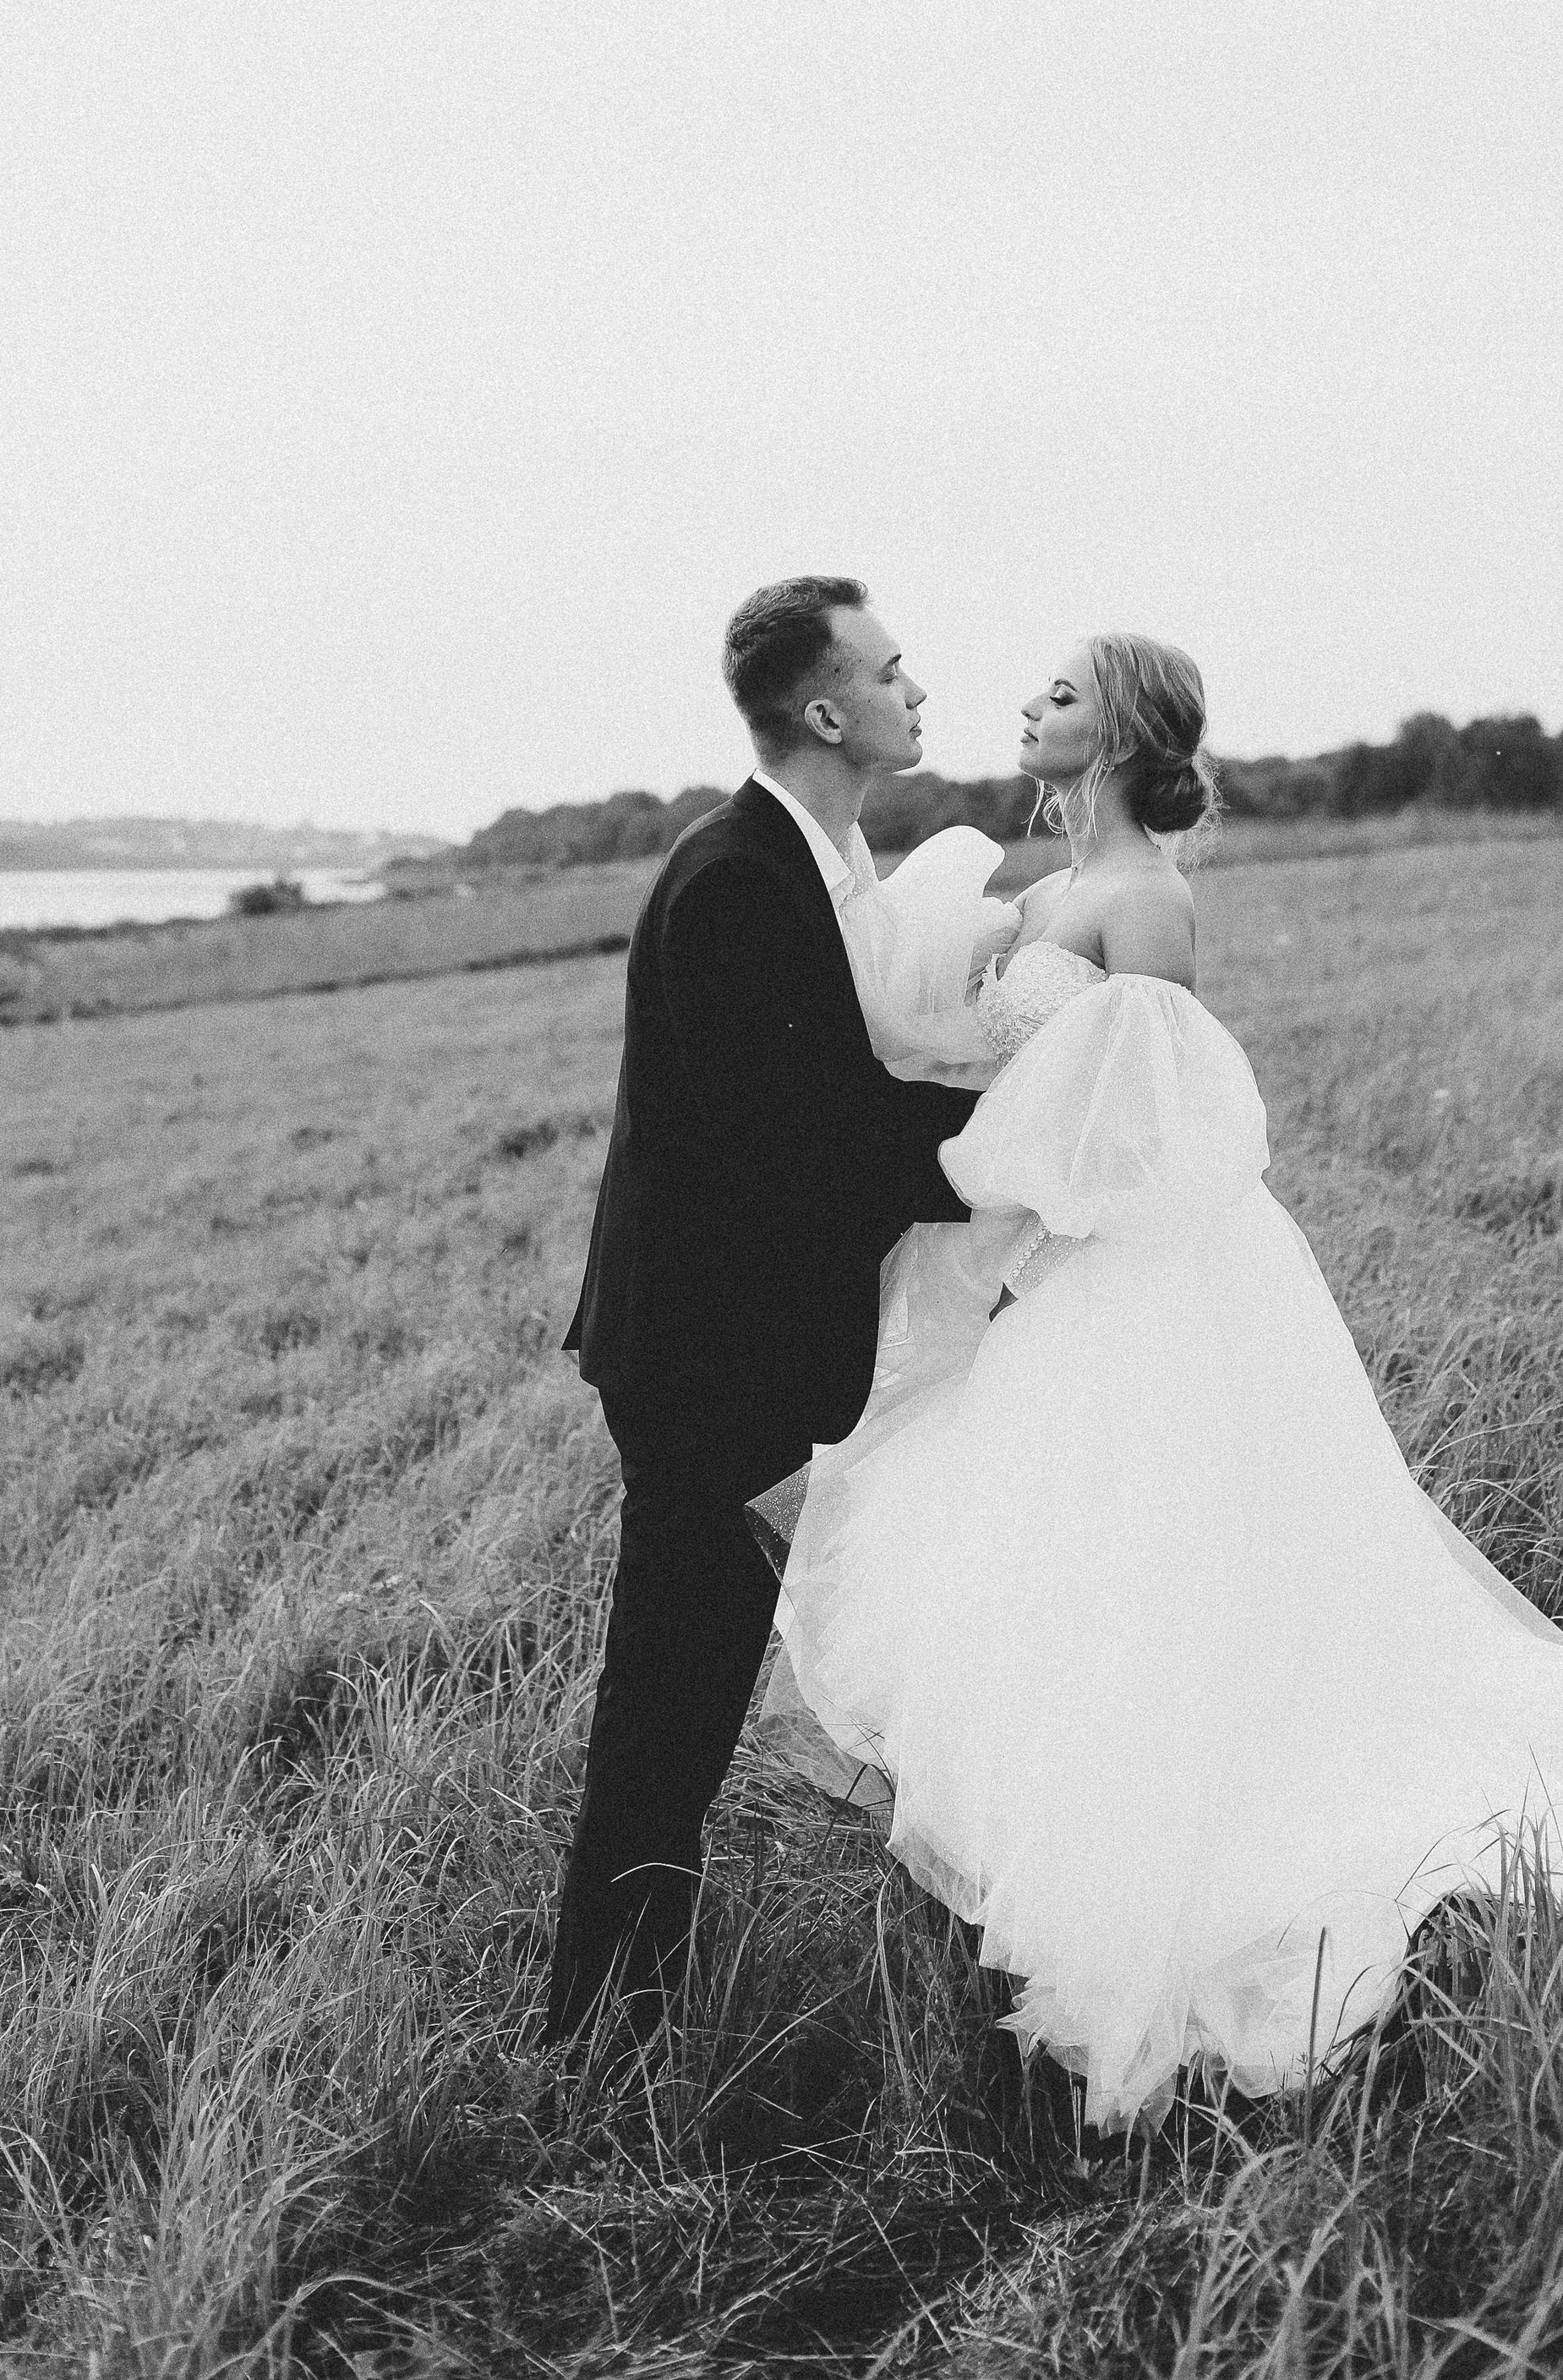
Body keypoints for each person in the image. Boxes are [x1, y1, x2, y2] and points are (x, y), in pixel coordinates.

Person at [775, 631, 1563, 2131]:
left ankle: (1174, 1851)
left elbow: (1158, 1128)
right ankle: (1088, 1823)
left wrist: (1018, 1219)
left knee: (1177, 1557)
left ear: (1118, 733)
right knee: (1073, 1565)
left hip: (1144, 1275)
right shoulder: (1029, 896)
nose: (1025, 703)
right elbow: (940, 1053)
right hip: (1048, 1275)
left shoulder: (1145, 897)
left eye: (1059, 692)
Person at [543, 577, 981, 2045]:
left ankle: (621, 1994)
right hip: (697, 1357)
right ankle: (600, 2021)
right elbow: (807, 1140)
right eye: (893, 668)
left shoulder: (818, 857)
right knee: (670, 1688)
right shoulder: (737, 878)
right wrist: (1016, 1152)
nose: (917, 688)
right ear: (825, 708)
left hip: (728, 1341)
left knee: (697, 1676)